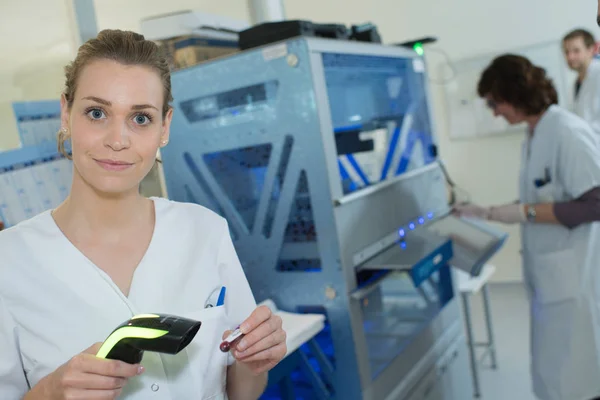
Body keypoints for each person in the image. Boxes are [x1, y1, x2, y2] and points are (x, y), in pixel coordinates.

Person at [0, 29, 286, 400]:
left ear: (164, 127)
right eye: (97, 112)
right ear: (66, 114)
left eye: (140, 119)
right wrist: (48, 394)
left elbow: (241, 392)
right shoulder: (9, 263)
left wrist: (255, 357)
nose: (118, 140)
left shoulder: (205, 231)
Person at [454, 54, 600, 400]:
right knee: (557, 376)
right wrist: (483, 211)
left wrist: (522, 213)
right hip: (553, 282)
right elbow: (536, 200)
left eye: (495, 102)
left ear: (514, 93)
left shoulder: (567, 131)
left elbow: (595, 203)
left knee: (579, 378)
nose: (494, 112)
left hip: (575, 283)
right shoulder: (536, 134)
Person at [562, 29, 600, 134]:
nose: (570, 57)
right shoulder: (575, 85)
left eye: (576, 51)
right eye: (566, 52)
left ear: (591, 49)